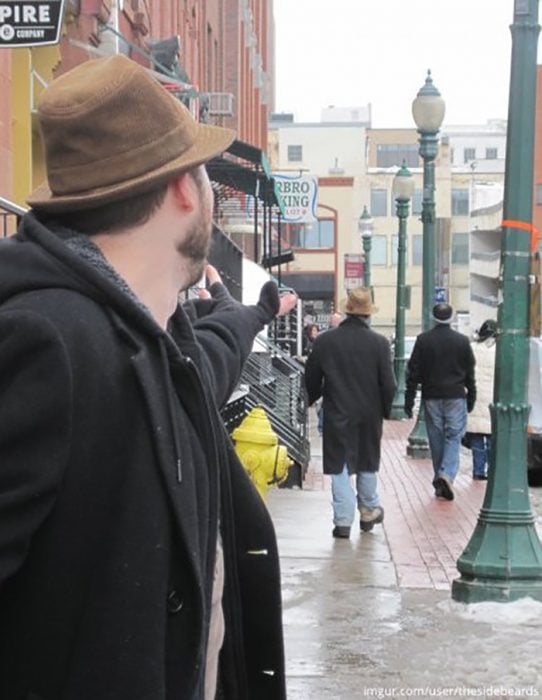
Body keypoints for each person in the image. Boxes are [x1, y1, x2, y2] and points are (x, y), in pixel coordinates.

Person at [0, 55, 298, 700]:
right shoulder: (45, 339)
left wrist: (254, 311)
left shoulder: (158, 338)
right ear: (184, 190)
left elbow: (209, 358)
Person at [304, 288, 396, 539]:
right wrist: (387, 410)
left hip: (337, 411)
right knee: (367, 461)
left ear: (347, 311)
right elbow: (388, 384)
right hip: (369, 414)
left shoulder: (325, 341)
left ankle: (343, 521)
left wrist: (310, 399)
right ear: (368, 315)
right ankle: (368, 510)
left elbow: (311, 379)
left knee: (339, 466)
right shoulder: (379, 343)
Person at [405, 303, 476, 501]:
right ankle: (446, 474)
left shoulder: (423, 340)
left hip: (431, 394)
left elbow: (413, 372)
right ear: (452, 317)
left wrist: (409, 401)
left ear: (433, 316)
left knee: (435, 436)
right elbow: (470, 372)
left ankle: (440, 477)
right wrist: (471, 396)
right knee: (453, 435)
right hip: (455, 393)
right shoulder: (462, 341)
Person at [464, 319, 497, 480]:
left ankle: (478, 471)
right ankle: (492, 470)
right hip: (492, 397)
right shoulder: (499, 350)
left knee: (476, 436)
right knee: (492, 437)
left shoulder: (472, 348)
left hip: (475, 396)